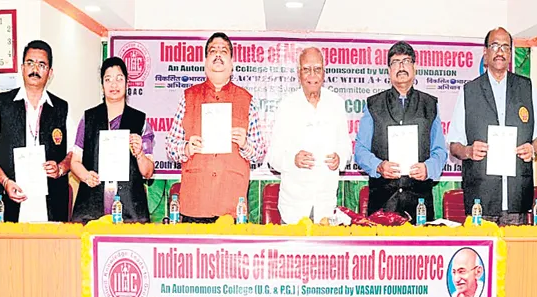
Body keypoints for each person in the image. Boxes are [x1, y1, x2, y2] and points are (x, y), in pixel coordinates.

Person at [448, 27, 537, 226]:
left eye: (505, 47)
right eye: (495, 46)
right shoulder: (469, 91)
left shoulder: (526, 88)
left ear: (510, 54)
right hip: (480, 198)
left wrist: (532, 149)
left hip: (517, 196)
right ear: (485, 53)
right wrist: (468, 151)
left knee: (516, 247)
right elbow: (454, 145)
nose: (500, 51)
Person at [165, 32, 266, 223]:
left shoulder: (246, 100)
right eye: (213, 51)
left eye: (224, 51)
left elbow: (259, 152)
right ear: (205, 61)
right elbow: (170, 146)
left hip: (232, 201)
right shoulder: (188, 97)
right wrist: (186, 148)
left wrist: (245, 144)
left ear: (232, 63)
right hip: (196, 200)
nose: (218, 54)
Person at [0, 40, 75, 222]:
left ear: (50, 73)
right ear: (22, 68)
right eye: (30, 63)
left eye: (42, 64)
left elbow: (74, 153)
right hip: (11, 198)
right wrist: (5, 181)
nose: (35, 69)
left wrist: (61, 168)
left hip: (52, 205)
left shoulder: (62, 108)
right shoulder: (1, 103)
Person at [354, 41, 447, 222]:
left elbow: (440, 151)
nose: (401, 66)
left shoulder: (430, 105)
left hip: (419, 204)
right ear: (389, 70)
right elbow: (360, 150)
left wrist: (428, 168)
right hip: (382, 203)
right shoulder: (373, 105)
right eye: (396, 62)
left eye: (406, 61)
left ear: (415, 67)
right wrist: (378, 166)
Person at [267, 47, 351, 224]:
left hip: (326, 206)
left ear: (324, 73)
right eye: (306, 69)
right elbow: (273, 157)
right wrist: (293, 159)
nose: (312, 75)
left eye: (317, 69)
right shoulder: (287, 106)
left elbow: (346, 149)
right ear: (299, 73)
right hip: (293, 209)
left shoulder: (336, 104)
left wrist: (340, 158)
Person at [71, 57, 155, 223]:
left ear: (127, 83)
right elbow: (75, 161)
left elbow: (148, 172)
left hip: (131, 209)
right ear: (102, 85)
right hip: (91, 208)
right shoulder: (88, 118)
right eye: (108, 79)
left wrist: (139, 153)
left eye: (119, 78)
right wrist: (86, 176)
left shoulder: (140, 121)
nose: (114, 84)